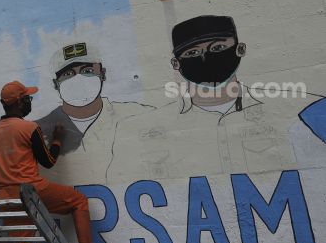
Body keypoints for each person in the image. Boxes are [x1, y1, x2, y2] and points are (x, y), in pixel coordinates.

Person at [109, 15, 326, 181]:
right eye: (192, 53)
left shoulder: (300, 109)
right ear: (176, 64)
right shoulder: (143, 128)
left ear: (240, 49)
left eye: (218, 48)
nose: (205, 57)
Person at [0, 81, 105, 243]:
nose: (29, 102)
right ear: (19, 103)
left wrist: (8, 182)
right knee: (78, 201)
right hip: (32, 190)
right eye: (27, 99)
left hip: (6, 197)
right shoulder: (28, 128)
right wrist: (57, 140)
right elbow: (48, 161)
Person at [35, 42, 154, 185]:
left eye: (87, 71)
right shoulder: (38, 130)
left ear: (102, 74)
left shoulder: (138, 115)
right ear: (56, 84)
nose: (78, 79)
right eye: (68, 74)